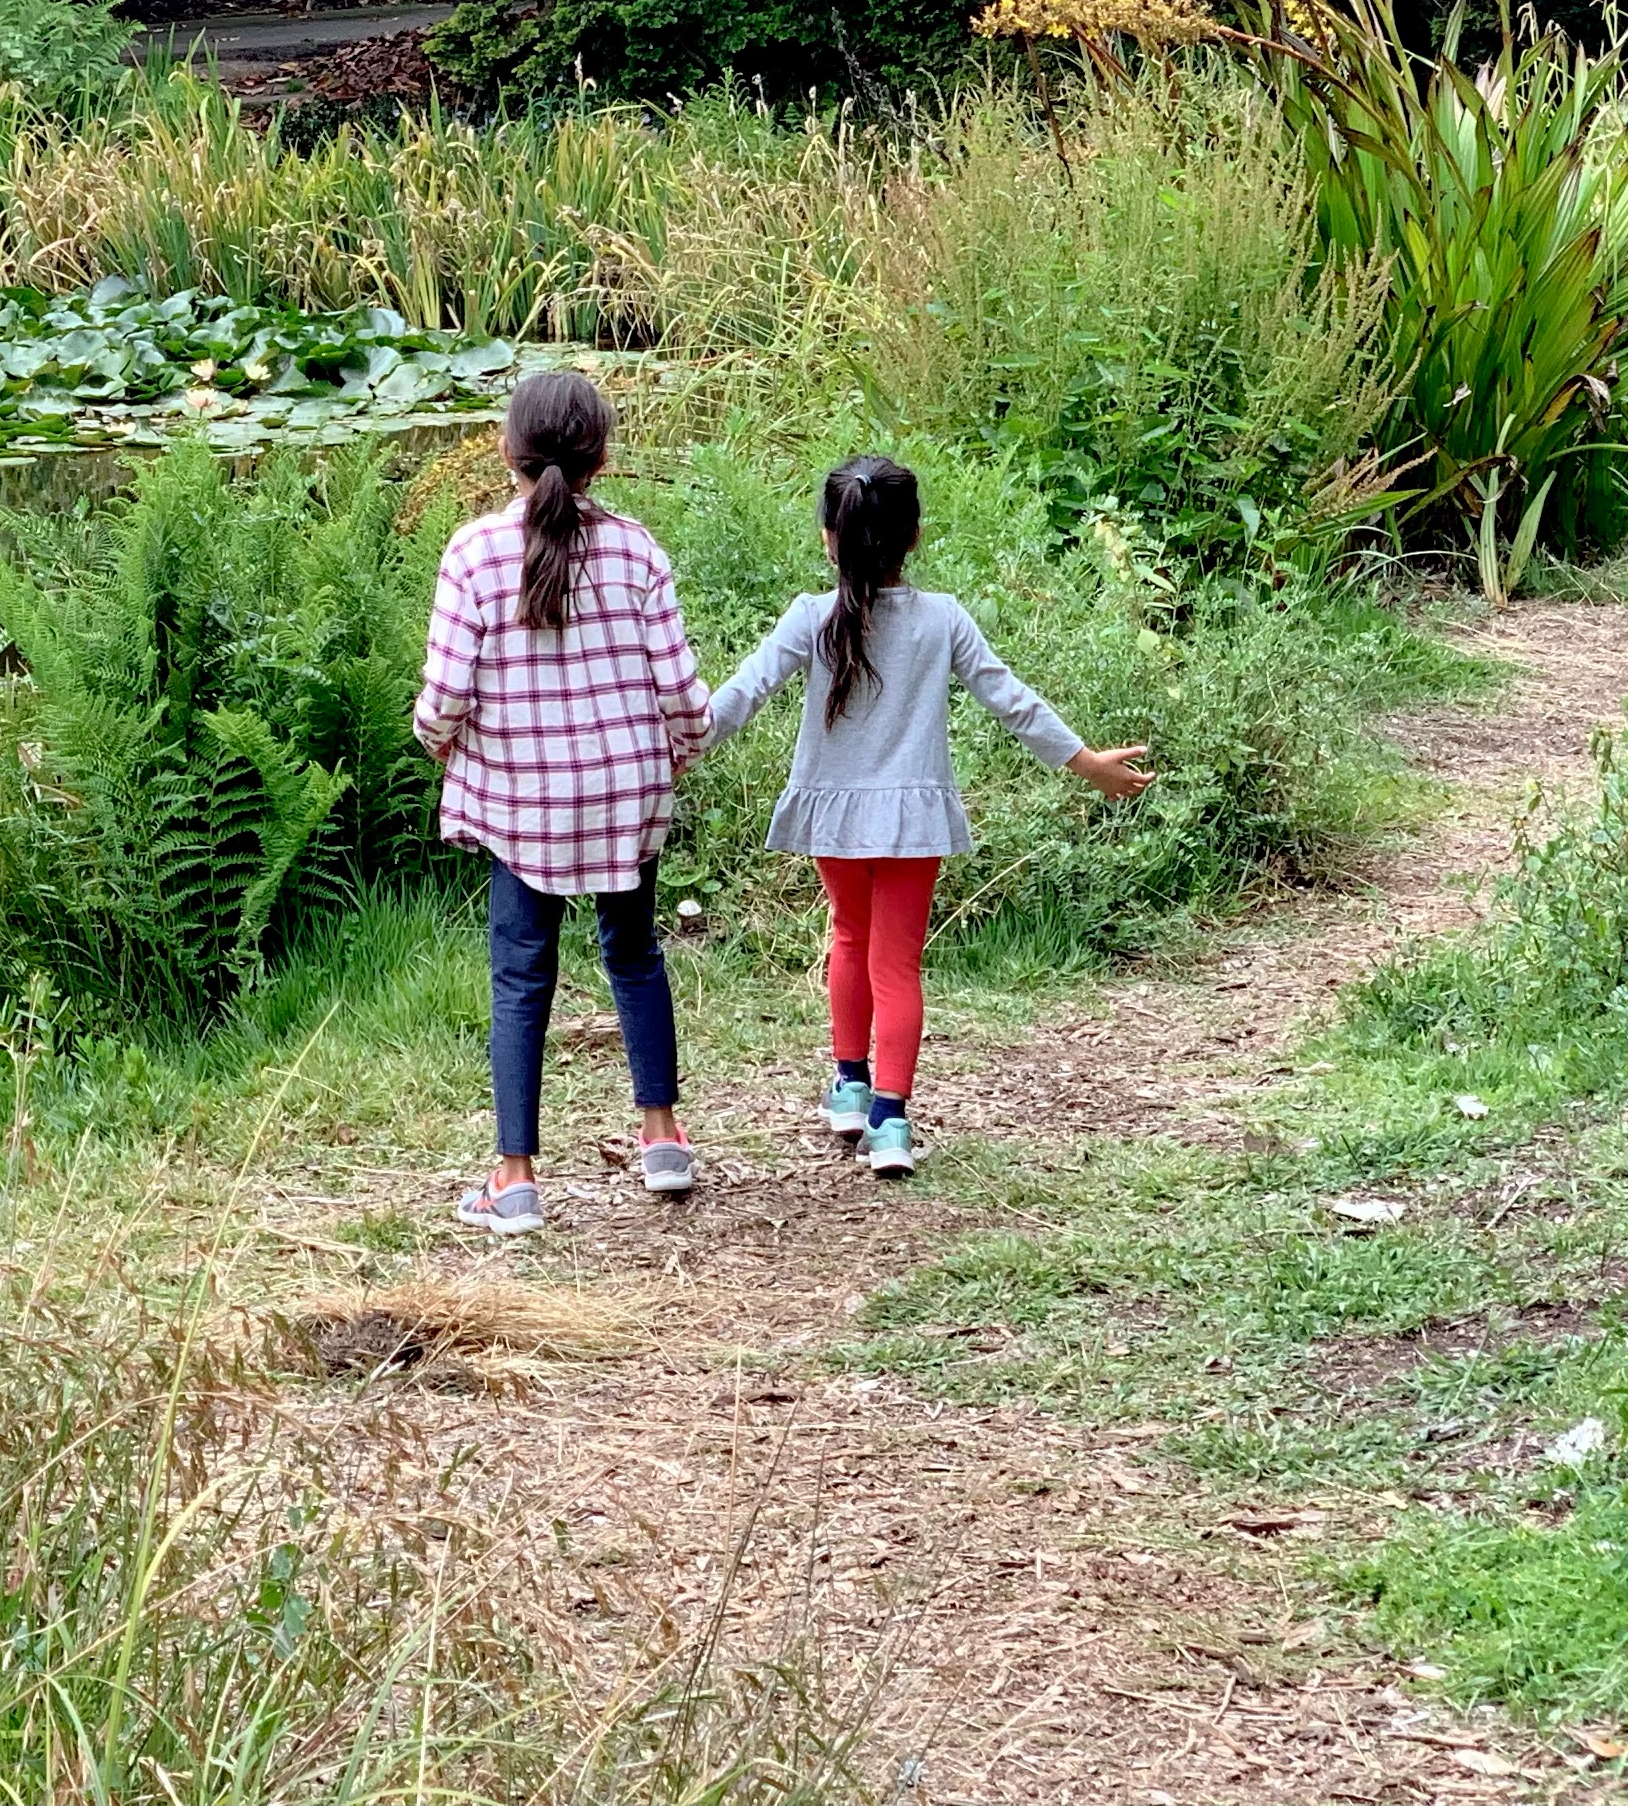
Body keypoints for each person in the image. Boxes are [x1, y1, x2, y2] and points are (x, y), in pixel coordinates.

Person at [709, 455, 1153, 1177]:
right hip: (914, 820)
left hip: (835, 815)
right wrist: (1086, 763)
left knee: (849, 937)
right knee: (897, 963)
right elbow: (1012, 699)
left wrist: (673, 748)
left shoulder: (808, 617)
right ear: (913, 537)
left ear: (830, 537)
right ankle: (889, 1122)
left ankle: (849, 1086)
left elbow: (740, 694)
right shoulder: (941, 619)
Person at [413, 368, 710, 1236]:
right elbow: (685, 700)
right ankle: (662, 1139)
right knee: (635, 952)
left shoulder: (472, 554)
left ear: (506, 452)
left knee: (520, 975)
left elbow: (442, 704)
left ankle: (516, 1180)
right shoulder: (637, 549)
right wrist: (675, 760)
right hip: (625, 792)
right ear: (602, 459)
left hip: (521, 803)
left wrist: (447, 750)